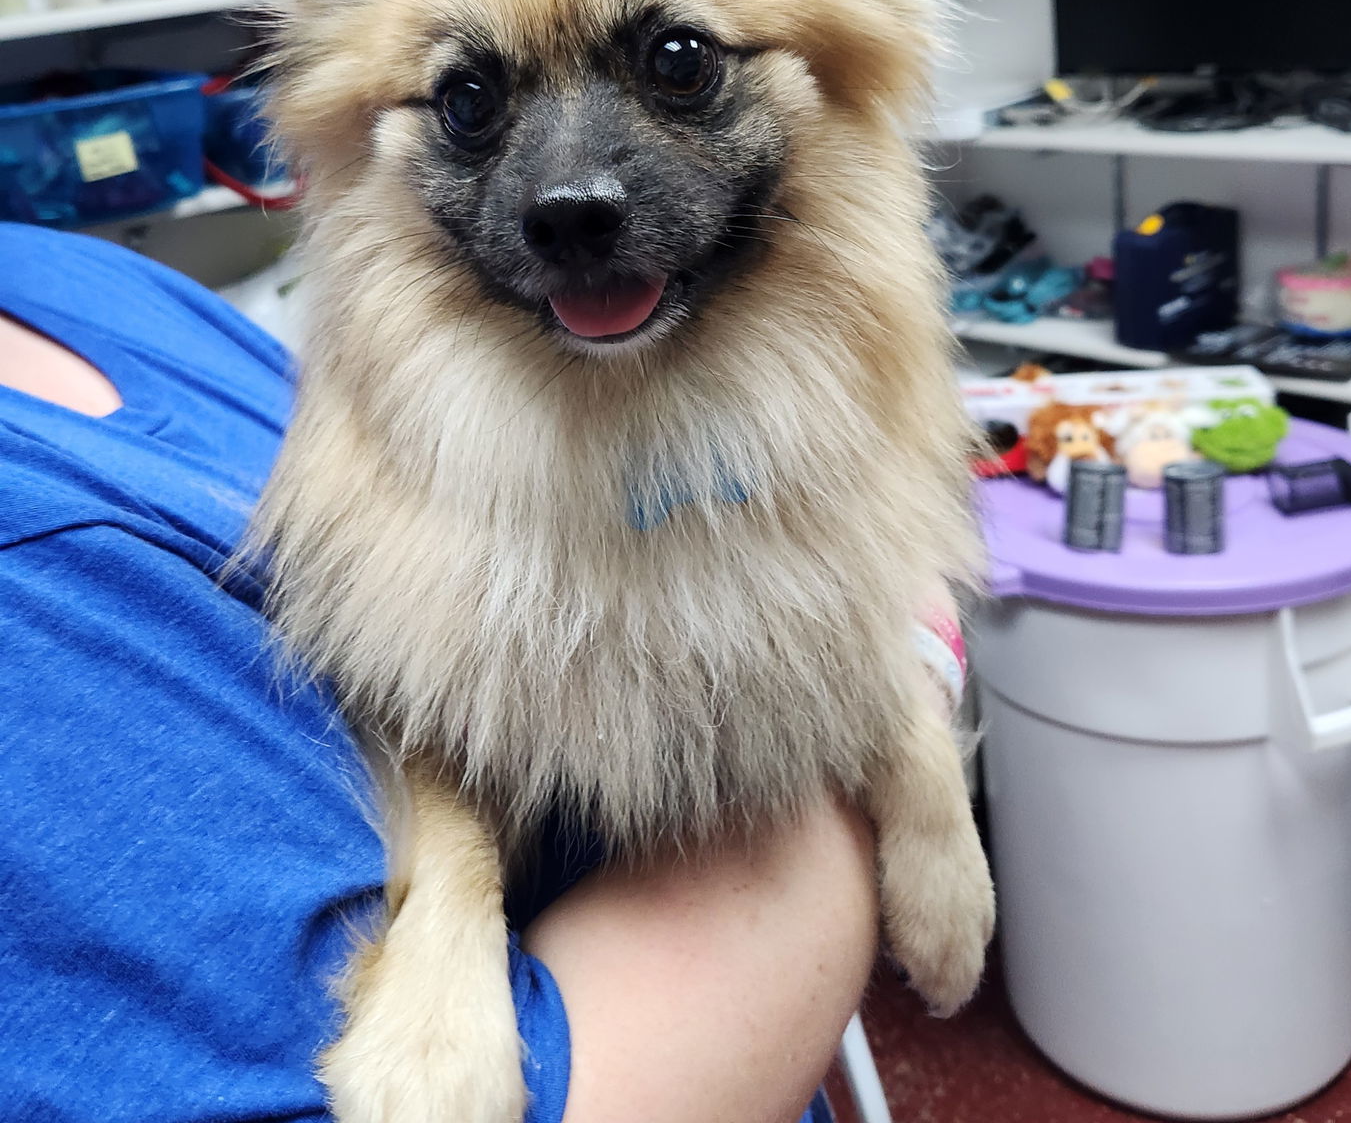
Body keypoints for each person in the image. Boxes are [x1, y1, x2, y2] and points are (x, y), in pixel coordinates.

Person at [0, 222, 899, 1122]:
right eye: (471, 101)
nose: (574, 189)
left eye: (677, 68)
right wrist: (897, 672)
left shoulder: (78, 272)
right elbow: (441, 700)